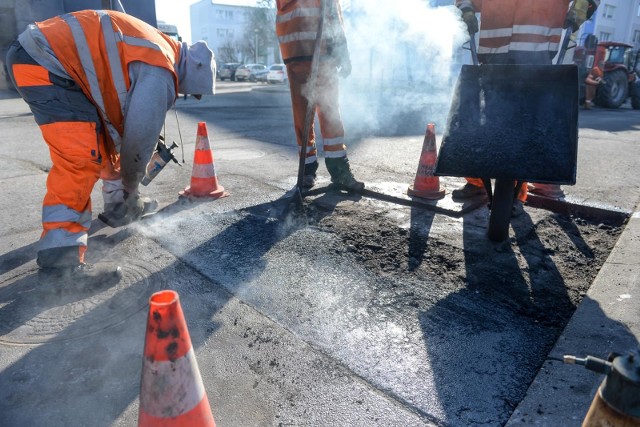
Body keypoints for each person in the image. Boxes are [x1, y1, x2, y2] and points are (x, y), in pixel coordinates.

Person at [6, 9, 216, 285]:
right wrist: (132, 184)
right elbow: (139, 140)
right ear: (194, 71)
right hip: (48, 60)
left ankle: (119, 207)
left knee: (100, 145)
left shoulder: (155, 47)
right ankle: (61, 264)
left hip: (44, 57)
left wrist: (127, 190)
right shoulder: (161, 67)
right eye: (192, 91)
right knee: (80, 160)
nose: (185, 94)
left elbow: (120, 133)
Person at [454, 0, 598, 203]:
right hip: (494, 53)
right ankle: (477, 181)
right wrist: (467, 9)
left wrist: (583, 6)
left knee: (526, 124)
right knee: (486, 120)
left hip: (536, 55)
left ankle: (515, 191)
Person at [275, 0, 364, 190]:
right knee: (321, 114)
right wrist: (342, 54)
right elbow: (333, 16)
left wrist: (341, 53)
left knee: (314, 114)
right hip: (309, 53)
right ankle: (322, 169)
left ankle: (317, 168)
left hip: (300, 52)